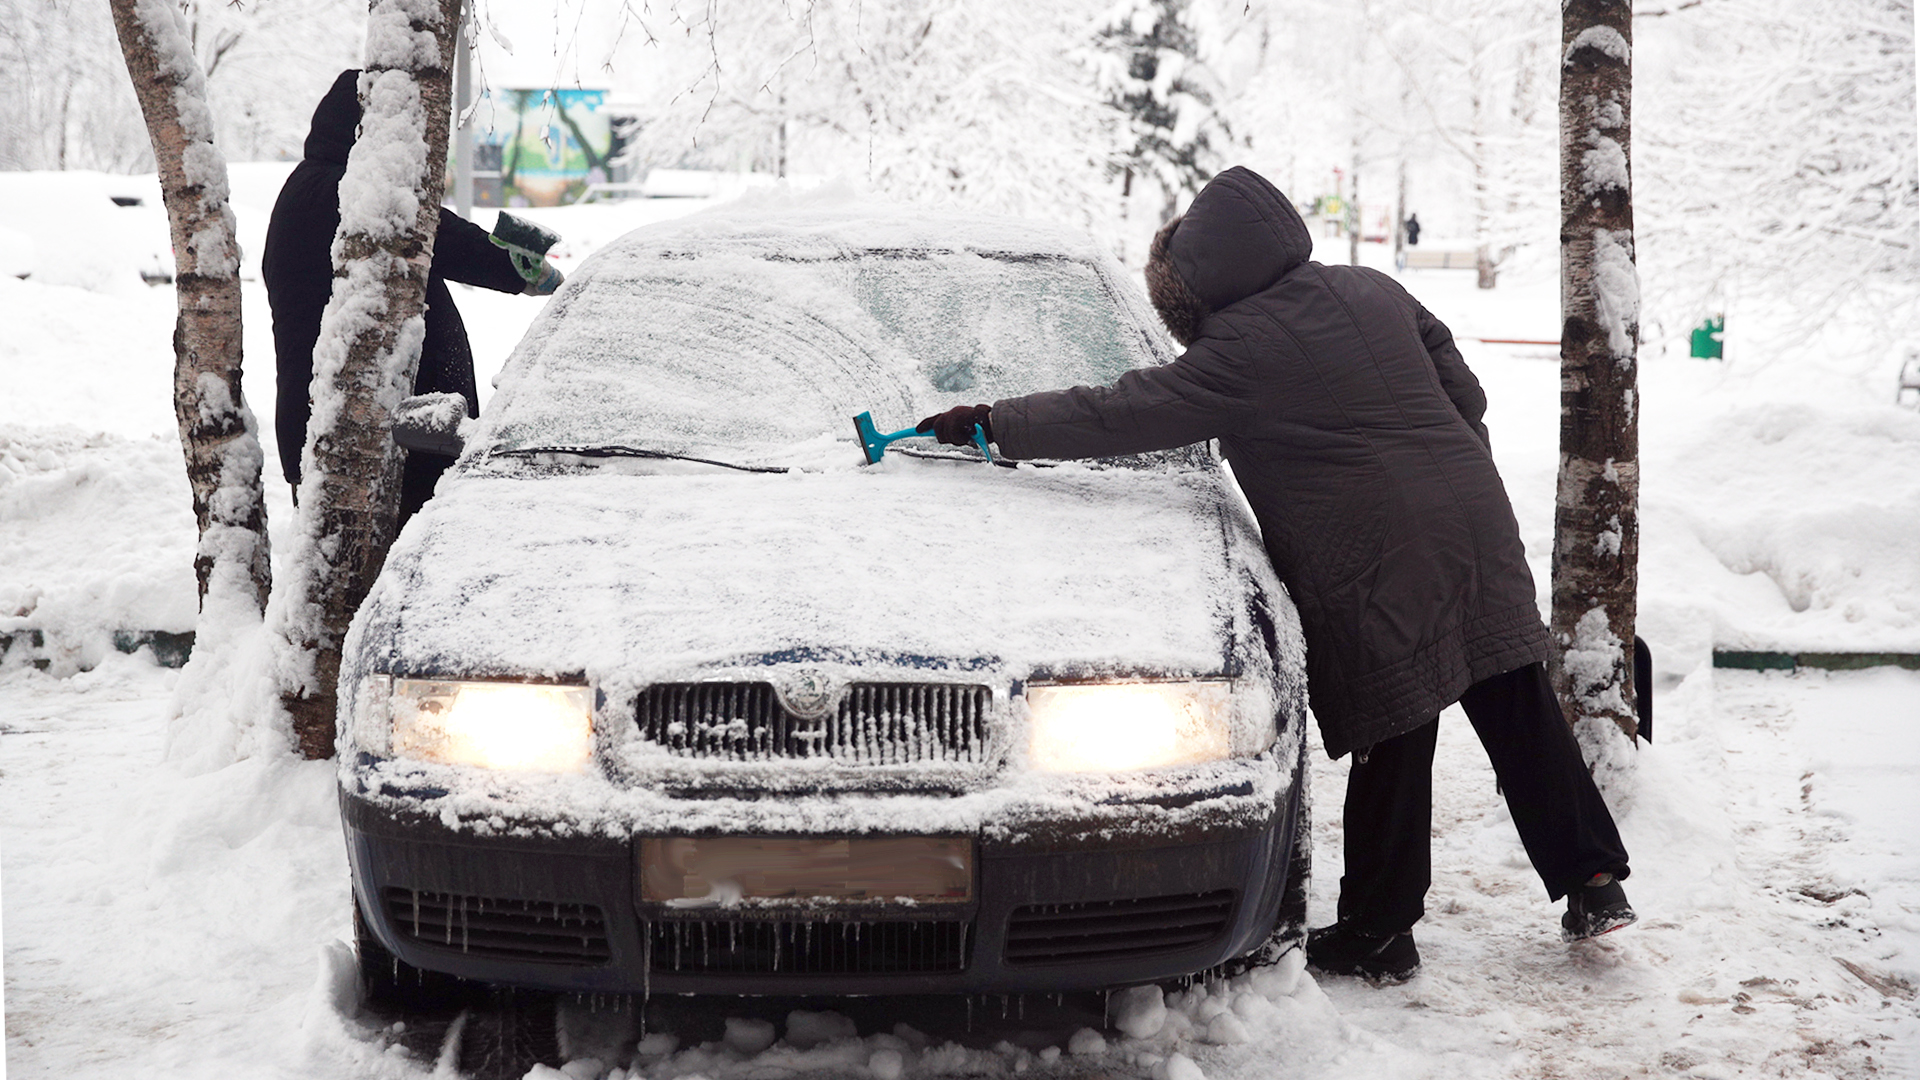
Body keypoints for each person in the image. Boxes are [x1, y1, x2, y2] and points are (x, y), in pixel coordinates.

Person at [919, 166, 1633, 984]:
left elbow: (1119, 411)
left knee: (1394, 733)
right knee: (1516, 700)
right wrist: (1444, 463)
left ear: (1193, 288)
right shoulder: (1373, 288)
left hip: (1375, 552)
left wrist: (993, 422)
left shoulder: (1237, 352)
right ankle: (1592, 878)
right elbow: (1462, 389)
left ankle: (1378, 933)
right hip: (1473, 516)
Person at [264, 69, 562, 525]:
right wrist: (521, 270)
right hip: (364, 439)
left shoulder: (312, 188)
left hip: (355, 430)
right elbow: (434, 233)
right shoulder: (342, 192)